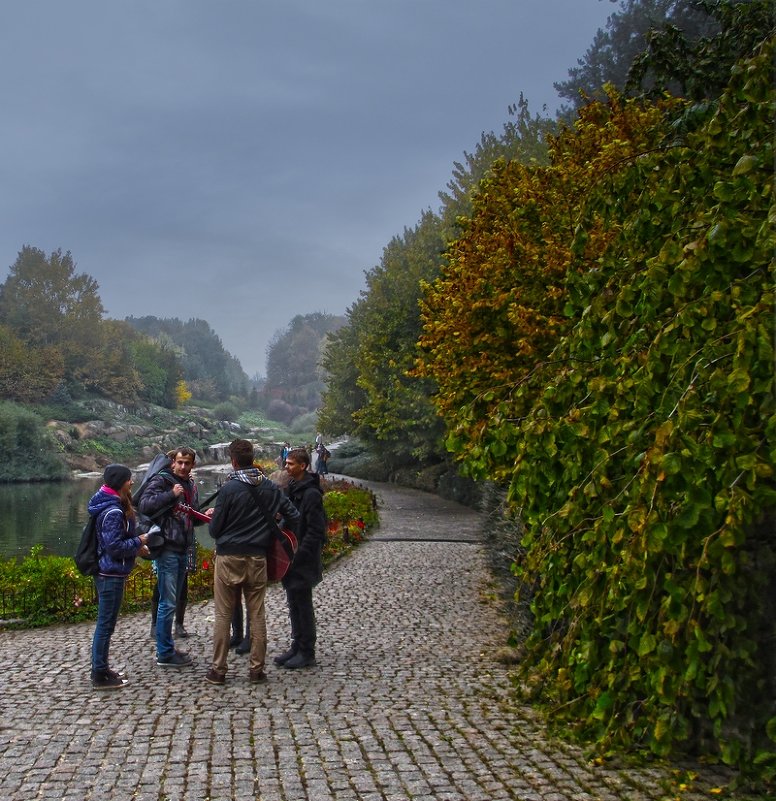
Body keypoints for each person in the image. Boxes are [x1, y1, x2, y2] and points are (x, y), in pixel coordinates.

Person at [205, 438, 300, 685]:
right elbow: (293, 515)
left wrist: (218, 517)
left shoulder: (228, 489)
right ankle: (257, 670)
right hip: (258, 557)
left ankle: (218, 670)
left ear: (233, 461)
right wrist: (275, 531)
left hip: (228, 558)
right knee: (257, 614)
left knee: (224, 614)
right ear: (252, 459)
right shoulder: (269, 487)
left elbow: (214, 531)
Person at [139, 446, 211, 667]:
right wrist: (171, 494)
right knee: (167, 603)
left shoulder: (191, 485)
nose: (182, 466)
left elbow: (191, 517)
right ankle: (164, 653)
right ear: (173, 462)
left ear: (192, 465)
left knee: (172, 599)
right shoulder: (162, 480)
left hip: (183, 548)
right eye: (179, 462)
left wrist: (204, 516)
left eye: (186, 463)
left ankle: (168, 647)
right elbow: (144, 504)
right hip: (167, 548)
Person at [89, 464, 151, 690]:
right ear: (120, 483)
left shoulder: (111, 504)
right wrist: (139, 541)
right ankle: (99, 674)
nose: (132, 482)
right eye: (129, 479)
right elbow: (114, 547)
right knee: (105, 625)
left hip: (111, 572)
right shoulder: (113, 512)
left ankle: (102, 667)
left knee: (107, 624)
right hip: (110, 574)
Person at [274, 447, 326, 670]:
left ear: (303, 466)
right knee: (293, 602)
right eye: (286, 464)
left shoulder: (311, 494)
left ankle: (307, 651)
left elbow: (315, 531)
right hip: (291, 555)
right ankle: (297, 645)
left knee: (303, 604)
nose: (287, 467)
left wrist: (299, 555)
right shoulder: (293, 488)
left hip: (302, 558)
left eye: (291, 464)